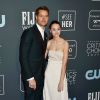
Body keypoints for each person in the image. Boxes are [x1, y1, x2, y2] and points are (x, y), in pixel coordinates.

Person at [19, 6, 49, 100]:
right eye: (41, 16)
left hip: (41, 76)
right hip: (31, 77)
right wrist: (30, 78)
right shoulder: (29, 32)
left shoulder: (45, 34)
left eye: (46, 16)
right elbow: (23, 57)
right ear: (36, 17)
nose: (44, 18)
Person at [43, 20, 69, 100]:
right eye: (54, 29)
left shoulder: (65, 43)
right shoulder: (48, 43)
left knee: (60, 95)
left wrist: (61, 81)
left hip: (59, 74)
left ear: (60, 30)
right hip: (49, 74)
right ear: (50, 31)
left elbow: (64, 64)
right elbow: (42, 59)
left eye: (58, 29)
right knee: (49, 95)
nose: (56, 31)